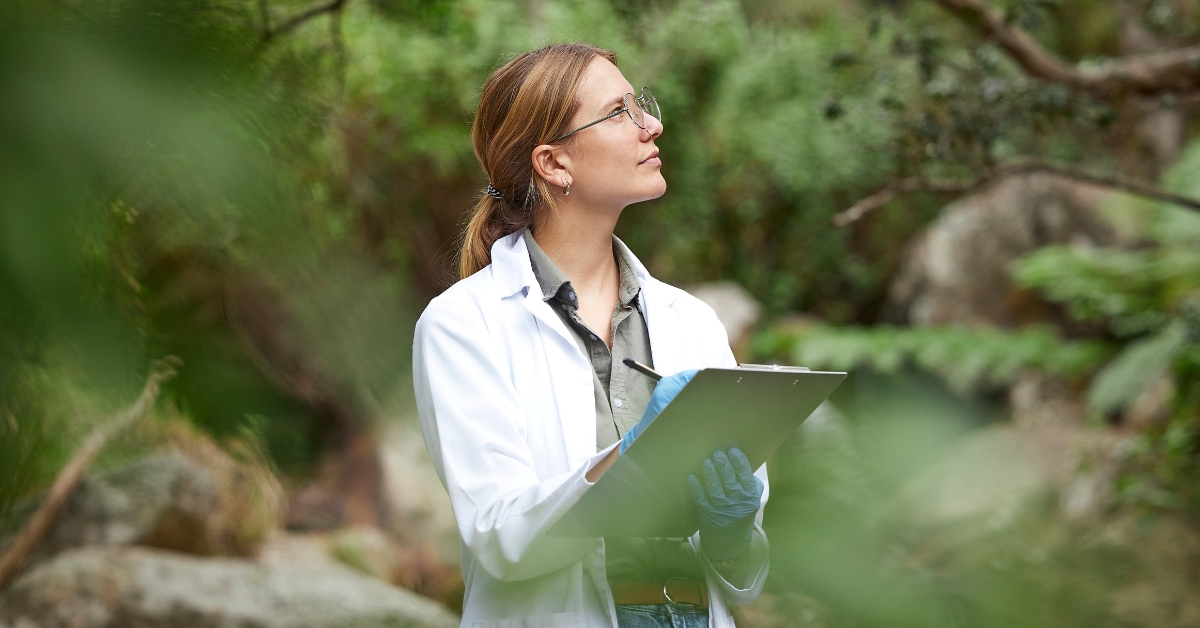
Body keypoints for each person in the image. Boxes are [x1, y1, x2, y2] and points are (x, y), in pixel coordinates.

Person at [413, 42, 769, 628]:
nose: (652, 124)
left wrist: (732, 535)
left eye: (642, 105)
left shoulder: (691, 322)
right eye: (620, 112)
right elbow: (502, 536)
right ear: (554, 164)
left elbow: (743, 572)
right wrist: (630, 464)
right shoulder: (463, 326)